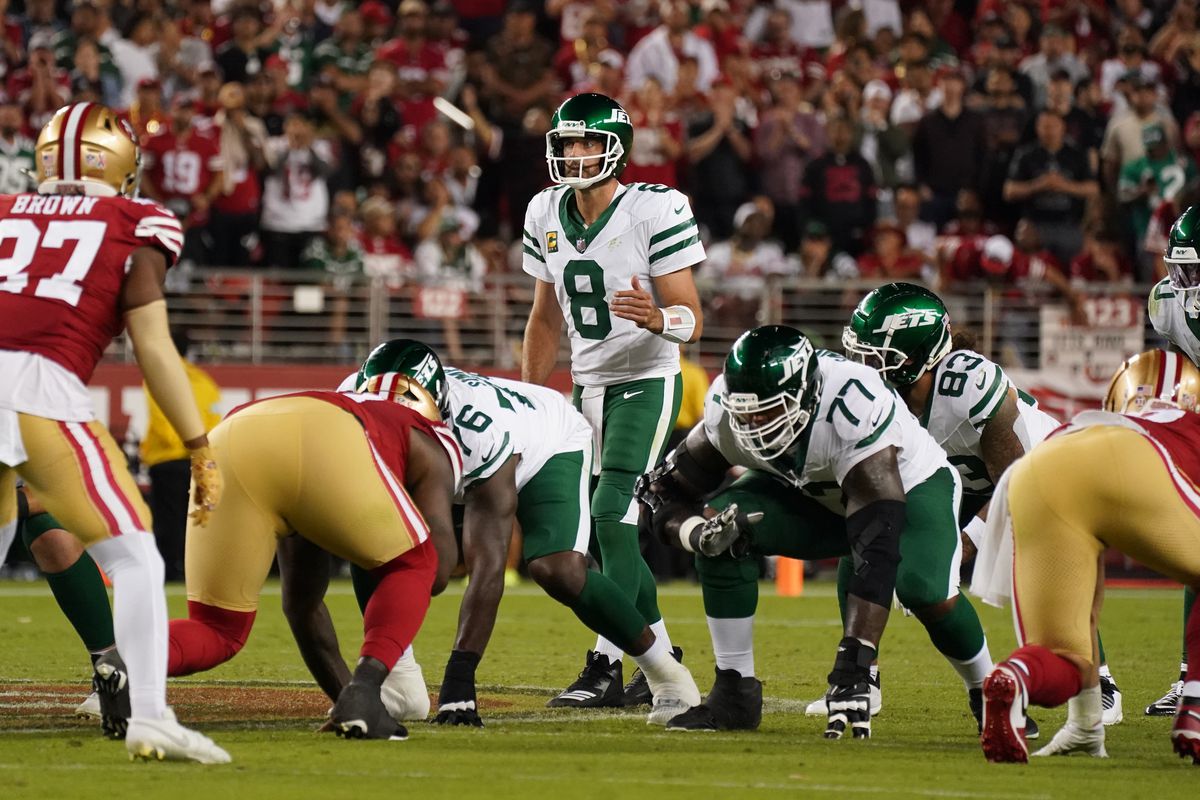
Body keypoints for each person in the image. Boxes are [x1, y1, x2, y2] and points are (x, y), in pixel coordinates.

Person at [281, 340, 701, 727]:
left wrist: (461, 675)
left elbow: (488, 565)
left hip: (546, 442)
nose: (395, 427)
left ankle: (665, 672)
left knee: (558, 569)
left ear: (437, 412)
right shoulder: (352, 400)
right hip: (447, 460)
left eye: (407, 420)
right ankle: (399, 680)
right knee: (372, 537)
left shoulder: (480, 430)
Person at [0, 102, 226, 764]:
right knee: (134, 556)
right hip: (40, 386)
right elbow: (154, 348)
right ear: (121, 165)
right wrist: (199, 446)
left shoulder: (7, 208)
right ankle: (150, 717)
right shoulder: (136, 221)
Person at [636, 326, 995, 737]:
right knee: (728, 526)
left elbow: (877, 542)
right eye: (747, 412)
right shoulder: (725, 411)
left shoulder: (853, 408)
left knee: (924, 591)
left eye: (771, 411)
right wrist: (698, 534)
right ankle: (734, 693)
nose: (755, 424)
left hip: (908, 486)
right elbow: (662, 495)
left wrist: (854, 664)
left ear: (808, 395)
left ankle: (990, 689)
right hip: (812, 492)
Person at [842, 282, 1123, 729]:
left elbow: (1018, 482)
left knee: (1044, 571)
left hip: (1045, 473)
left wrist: (963, 546)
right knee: (864, 532)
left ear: (915, 355)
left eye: (877, 354)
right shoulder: (884, 396)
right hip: (967, 480)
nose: (864, 366)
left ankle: (1101, 683)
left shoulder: (966, 386)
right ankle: (860, 675)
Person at [165, 351, 462, 741]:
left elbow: (301, 603)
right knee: (416, 563)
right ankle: (367, 689)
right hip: (328, 436)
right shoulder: (425, 432)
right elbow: (438, 571)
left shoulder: (349, 401)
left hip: (229, 435)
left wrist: (347, 699)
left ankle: (124, 664)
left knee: (217, 628)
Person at [521, 92, 704, 709]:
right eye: (566, 142)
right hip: (587, 384)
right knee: (606, 535)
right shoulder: (544, 209)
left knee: (610, 513)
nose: (574, 154)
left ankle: (604, 664)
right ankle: (662, 651)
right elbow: (545, 319)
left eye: (586, 142)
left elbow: (692, 320)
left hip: (647, 380)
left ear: (615, 148)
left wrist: (657, 317)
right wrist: (530, 393)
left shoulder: (654, 209)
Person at [976, 350, 1200, 764]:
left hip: (1041, 466)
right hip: (1139, 460)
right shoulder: (1189, 424)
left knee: (1063, 653)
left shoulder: (1099, 421)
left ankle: (1024, 682)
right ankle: (1197, 706)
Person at [1143, 205, 1200, 716]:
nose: (1184, 281)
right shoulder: (1166, 302)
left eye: (1195, 271)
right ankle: (1190, 681)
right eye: (1181, 269)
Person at [139, 329, 221, 582]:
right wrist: (199, 447)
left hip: (166, 458)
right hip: (199, 458)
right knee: (197, 517)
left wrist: (180, 442)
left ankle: (169, 569)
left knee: (168, 519)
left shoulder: (158, 377)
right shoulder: (206, 382)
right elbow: (214, 419)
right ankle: (195, 570)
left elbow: (163, 419)